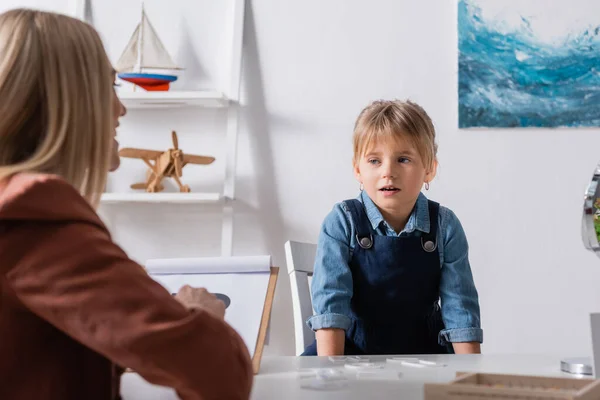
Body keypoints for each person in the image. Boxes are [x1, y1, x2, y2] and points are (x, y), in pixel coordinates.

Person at [0, 8, 252, 400]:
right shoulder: (39, 226)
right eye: (109, 87)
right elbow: (221, 374)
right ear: (69, 102)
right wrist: (199, 316)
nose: (121, 109)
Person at [305, 99, 483, 356]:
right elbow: (331, 306)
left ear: (429, 169)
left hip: (426, 355)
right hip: (349, 354)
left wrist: (470, 382)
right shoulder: (342, 221)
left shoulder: (445, 226)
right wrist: (333, 378)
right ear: (357, 169)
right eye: (375, 161)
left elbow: (461, 311)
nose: (388, 172)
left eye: (403, 159)